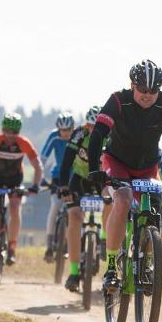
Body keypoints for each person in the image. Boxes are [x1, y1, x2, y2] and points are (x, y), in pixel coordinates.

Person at [85, 59, 162, 293]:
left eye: (153, 91)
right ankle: (110, 267)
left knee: (153, 214)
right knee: (123, 199)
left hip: (148, 166)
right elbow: (98, 134)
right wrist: (93, 169)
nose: (148, 95)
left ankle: (148, 261)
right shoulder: (118, 99)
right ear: (132, 86)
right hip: (117, 161)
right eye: (142, 90)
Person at [0, 113, 43, 264]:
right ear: (2, 129)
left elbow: (38, 166)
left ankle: (12, 247)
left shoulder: (24, 143)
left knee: (15, 208)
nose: (10, 135)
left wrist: (35, 185)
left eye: (15, 132)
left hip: (15, 179)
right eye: (7, 131)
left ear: (19, 132)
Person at [58, 106, 105, 292]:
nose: (94, 130)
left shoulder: (111, 136)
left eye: (98, 126)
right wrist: (63, 185)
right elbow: (66, 161)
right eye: (91, 126)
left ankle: (103, 239)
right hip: (80, 178)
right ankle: (74, 272)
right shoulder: (79, 134)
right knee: (75, 216)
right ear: (86, 125)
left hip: (102, 179)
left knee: (112, 203)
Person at [40, 112, 75, 262]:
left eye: (68, 130)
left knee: (73, 210)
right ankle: (49, 245)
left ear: (73, 129)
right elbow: (42, 158)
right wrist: (41, 176)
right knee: (55, 205)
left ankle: (68, 244)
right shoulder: (54, 136)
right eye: (62, 130)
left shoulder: (78, 136)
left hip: (75, 177)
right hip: (57, 176)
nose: (65, 133)